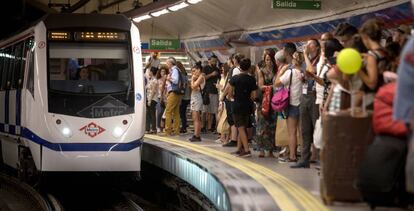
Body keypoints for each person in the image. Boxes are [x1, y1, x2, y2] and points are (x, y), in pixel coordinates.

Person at [291, 39, 321, 168]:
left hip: (315, 96)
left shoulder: (320, 60)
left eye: (311, 44)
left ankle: (321, 158)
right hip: (305, 95)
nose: (307, 46)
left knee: (317, 128)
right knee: (304, 128)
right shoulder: (304, 62)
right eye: (306, 44)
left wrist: (304, 54)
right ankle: (304, 159)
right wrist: (303, 77)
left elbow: (312, 70)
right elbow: (307, 73)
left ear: (317, 47)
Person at [275, 52, 304, 163]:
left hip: (292, 104)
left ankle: (292, 156)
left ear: (293, 60)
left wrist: (281, 71)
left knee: (292, 132)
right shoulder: (303, 73)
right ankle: (305, 154)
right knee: (302, 131)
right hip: (303, 104)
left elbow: (277, 83)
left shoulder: (290, 72)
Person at [228, 58, 257, 157]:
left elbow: (230, 93)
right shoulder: (252, 79)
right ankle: (239, 149)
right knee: (243, 127)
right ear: (249, 68)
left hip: (237, 105)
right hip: (248, 106)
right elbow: (253, 96)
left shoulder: (235, 78)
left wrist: (235, 97)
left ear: (240, 67)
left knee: (240, 128)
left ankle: (247, 150)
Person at [359, 18, 388, 107]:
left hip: (374, 100)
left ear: (366, 37)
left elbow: (372, 83)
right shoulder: (386, 52)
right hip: (387, 95)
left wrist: (357, 69)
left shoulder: (372, 56)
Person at [255, 52, 277, 158]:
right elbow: (260, 86)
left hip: (275, 101)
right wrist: (273, 86)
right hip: (264, 101)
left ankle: (271, 150)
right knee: (262, 125)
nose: (268, 62)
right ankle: (261, 150)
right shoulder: (261, 71)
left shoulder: (277, 70)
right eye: (266, 59)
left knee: (272, 125)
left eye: (270, 59)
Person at [163, 57, 182, 136]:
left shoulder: (174, 70)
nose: (167, 65)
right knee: (176, 112)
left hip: (173, 92)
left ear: (171, 63)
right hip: (177, 93)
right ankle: (177, 130)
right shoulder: (178, 70)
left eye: (167, 63)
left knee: (168, 111)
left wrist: (168, 78)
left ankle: (168, 131)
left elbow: (175, 80)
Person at [202, 55, 220, 132]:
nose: (214, 63)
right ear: (209, 60)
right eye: (213, 61)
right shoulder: (205, 68)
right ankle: (203, 126)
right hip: (207, 91)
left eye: (215, 61)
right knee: (205, 110)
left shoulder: (217, 69)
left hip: (215, 91)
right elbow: (203, 78)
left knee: (213, 110)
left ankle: (210, 127)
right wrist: (211, 75)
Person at [189, 64, 206, 142]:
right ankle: (196, 134)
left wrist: (192, 79)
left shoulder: (201, 77)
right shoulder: (197, 77)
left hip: (197, 98)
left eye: (194, 71)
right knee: (194, 117)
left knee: (196, 118)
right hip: (194, 98)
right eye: (192, 71)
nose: (193, 73)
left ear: (199, 70)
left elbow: (193, 86)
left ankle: (197, 135)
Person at [177, 61, 191, 134]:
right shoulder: (185, 74)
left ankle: (183, 127)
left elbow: (184, 86)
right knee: (183, 112)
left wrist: (181, 96)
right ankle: (184, 126)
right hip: (187, 96)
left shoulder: (181, 75)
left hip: (183, 97)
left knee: (181, 112)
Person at [145, 67, 159, 134]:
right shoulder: (151, 80)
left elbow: (153, 91)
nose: (149, 72)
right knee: (148, 113)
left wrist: (150, 100)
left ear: (152, 72)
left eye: (150, 71)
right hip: (148, 98)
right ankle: (148, 129)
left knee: (152, 114)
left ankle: (153, 129)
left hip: (152, 99)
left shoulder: (155, 81)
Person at [156, 65, 169, 133]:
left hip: (166, 98)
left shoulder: (167, 80)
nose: (162, 73)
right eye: (161, 71)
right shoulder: (158, 80)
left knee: (166, 113)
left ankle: (163, 126)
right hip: (159, 97)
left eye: (164, 71)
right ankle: (158, 126)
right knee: (160, 112)